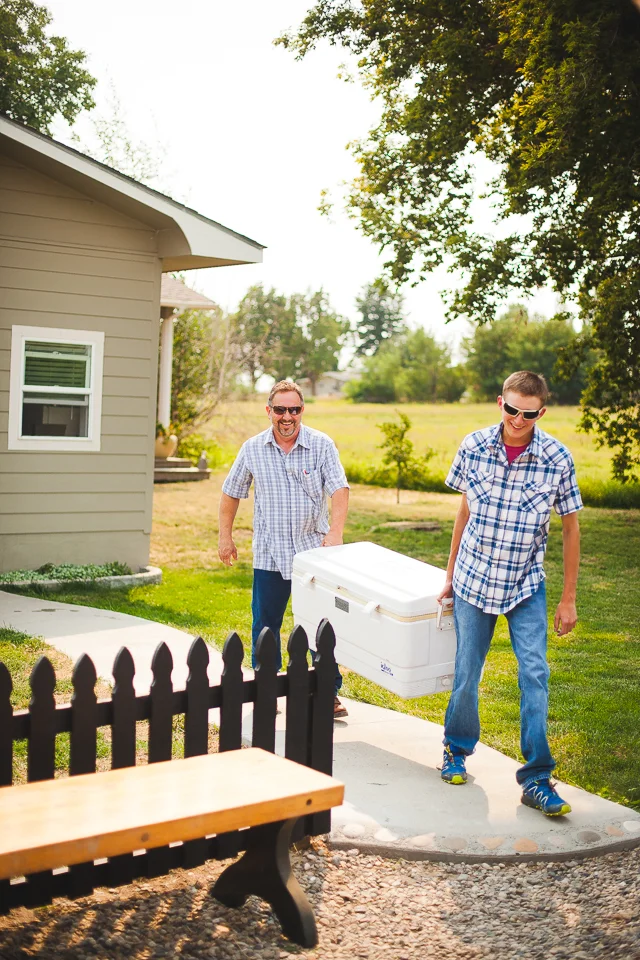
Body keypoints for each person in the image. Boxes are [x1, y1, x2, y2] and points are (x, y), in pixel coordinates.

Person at [436, 370, 582, 816]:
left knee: (535, 674)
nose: (519, 419)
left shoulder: (557, 457)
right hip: (474, 580)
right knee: (467, 672)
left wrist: (568, 597)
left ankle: (536, 778)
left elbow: (570, 529)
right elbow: (464, 512)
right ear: (500, 402)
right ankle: (455, 749)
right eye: (512, 409)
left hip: (525, 585)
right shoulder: (473, 446)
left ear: (542, 411)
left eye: (530, 413)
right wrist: (449, 574)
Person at [218, 379, 350, 719]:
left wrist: (335, 533)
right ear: (269, 411)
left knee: (321, 627)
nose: (287, 416)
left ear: (302, 410)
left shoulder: (321, 445)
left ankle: (327, 692)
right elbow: (231, 492)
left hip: (313, 553)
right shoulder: (252, 448)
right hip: (269, 552)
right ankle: (266, 689)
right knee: (266, 625)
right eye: (280, 410)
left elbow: (340, 490)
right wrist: (225, 537)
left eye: (294, 409)